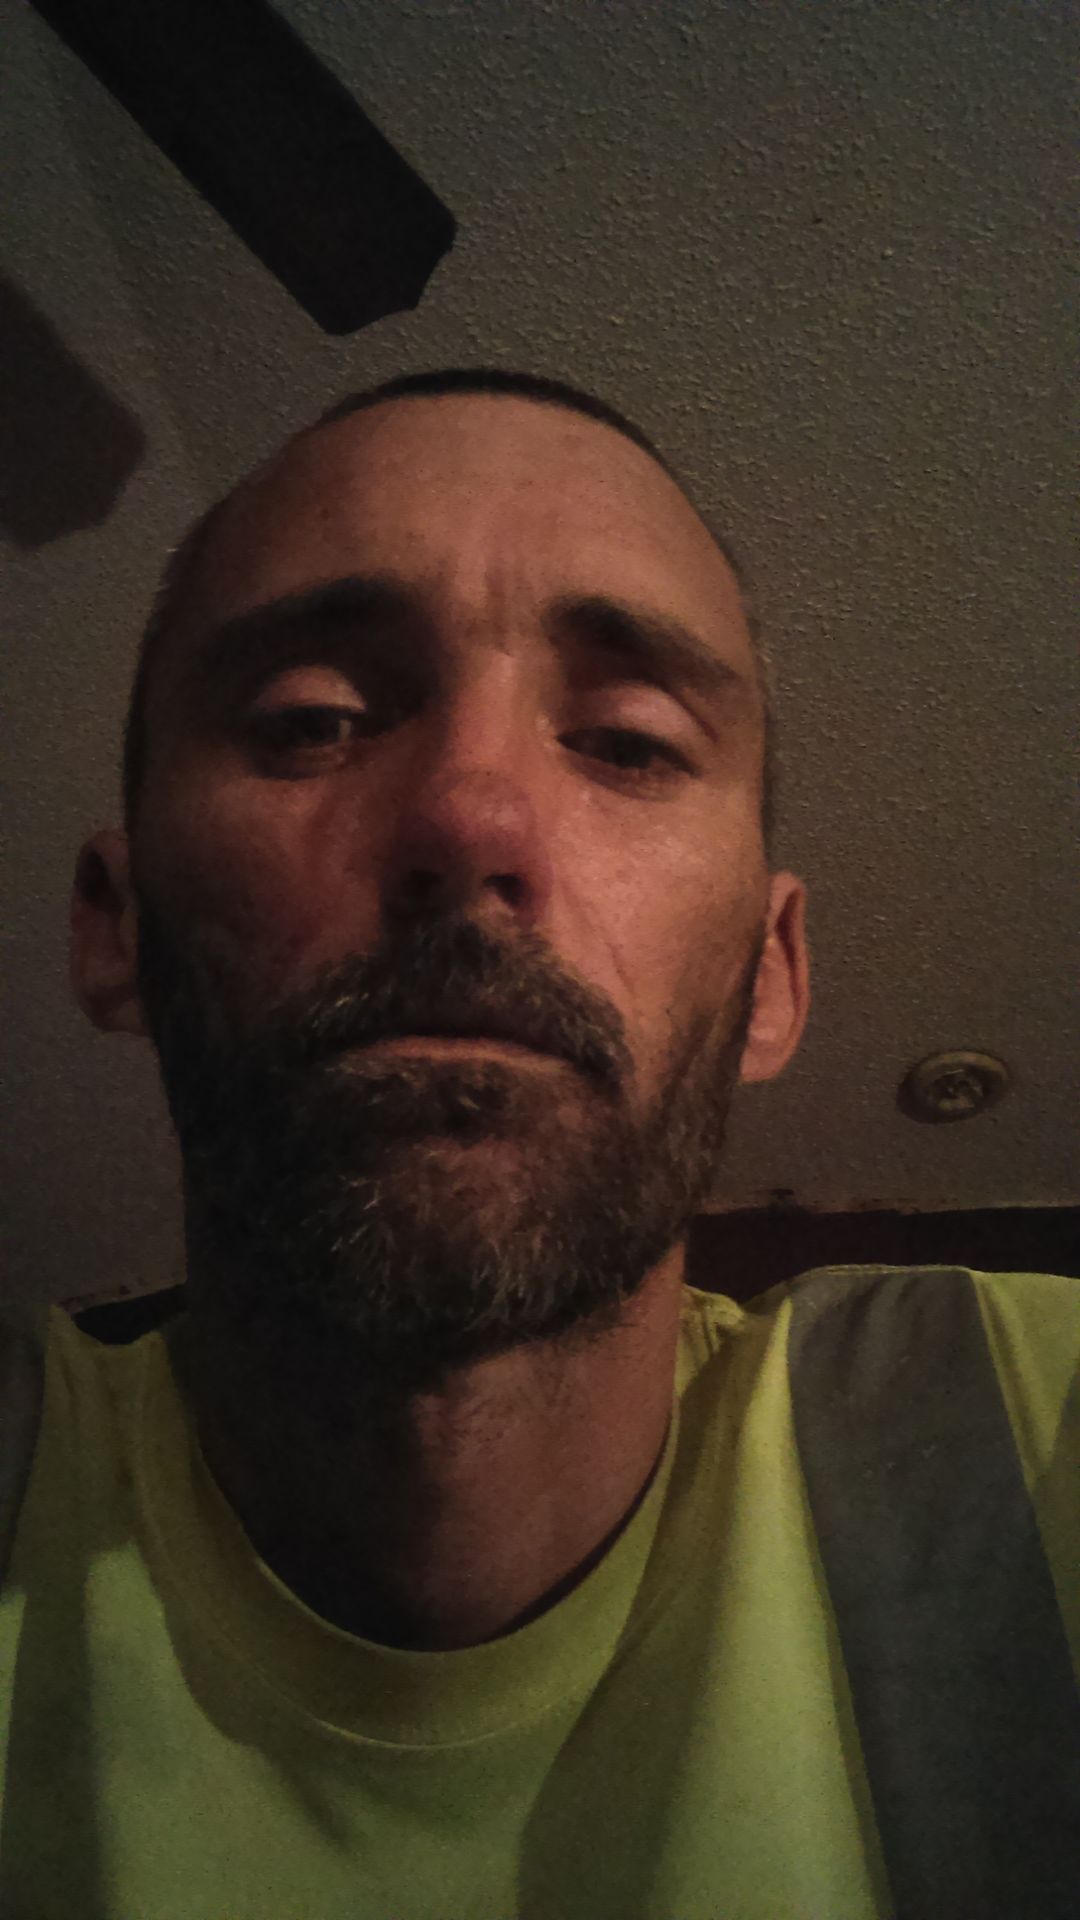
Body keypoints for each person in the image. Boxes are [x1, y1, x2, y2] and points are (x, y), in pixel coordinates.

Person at [1, 368, 1077, 1918]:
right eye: (313, 721)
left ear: (771, 974)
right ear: (118, 923)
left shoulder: (1031, 1434)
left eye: (628, 744)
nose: (471, 817)